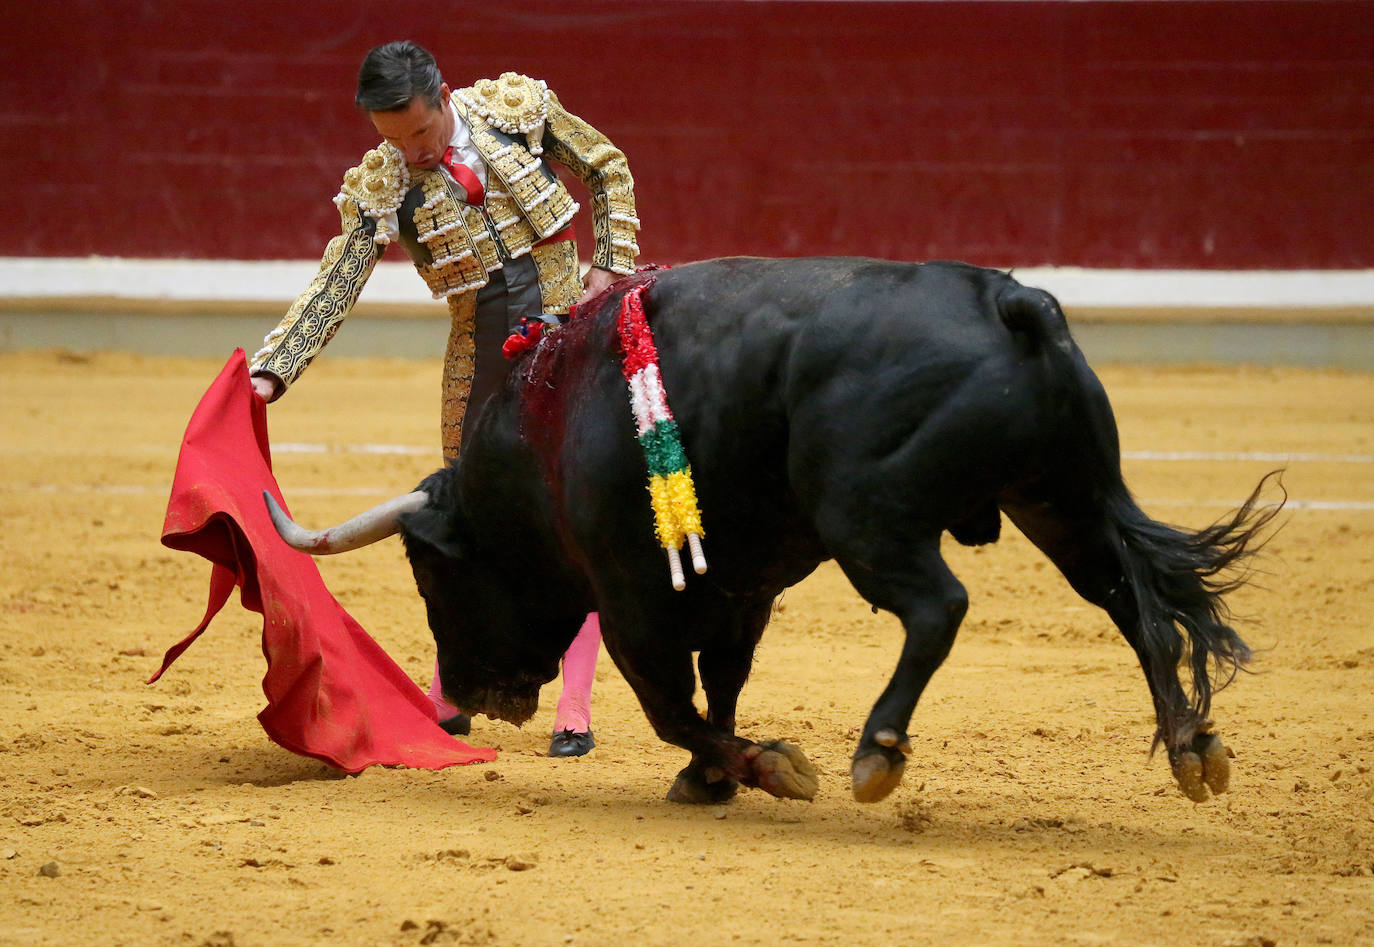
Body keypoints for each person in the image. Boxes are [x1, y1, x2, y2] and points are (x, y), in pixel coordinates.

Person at [248, 41, 640, 757]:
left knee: (575, 514)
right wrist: (272, 370)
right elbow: (339, 279)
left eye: (421, 134)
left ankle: (574, 705)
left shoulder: (515, 111)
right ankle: (451, 691)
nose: (413, 152)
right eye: (393, 140)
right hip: (480, 350)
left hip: (570, 332)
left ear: (446, 98)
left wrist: (610, 264)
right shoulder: (385, 181)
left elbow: (606, 166)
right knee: (466, 514)